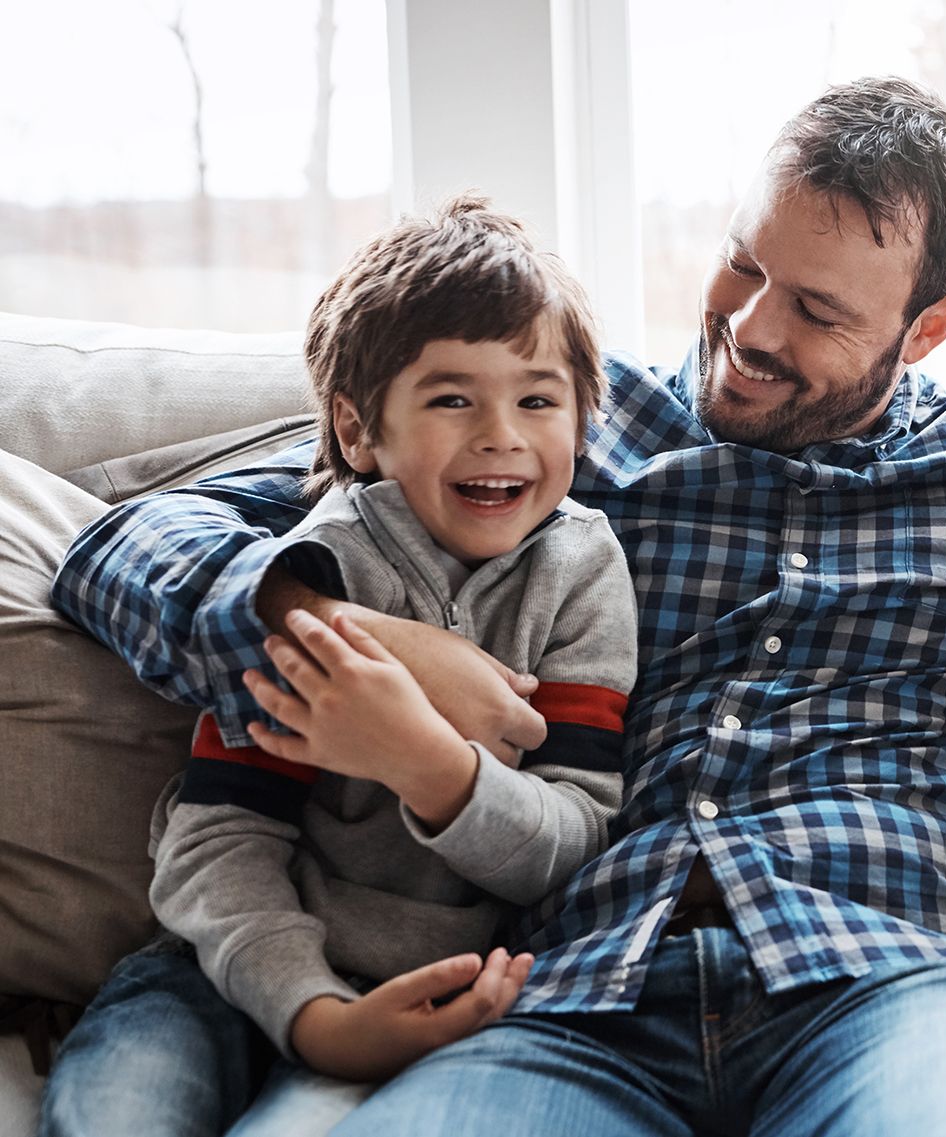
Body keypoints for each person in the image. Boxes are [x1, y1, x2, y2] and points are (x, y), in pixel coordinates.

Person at [50, 78, 946, 1136]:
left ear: (930, 332)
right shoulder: (562, 426)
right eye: (743, 262)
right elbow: (127, 541)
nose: (749, 328)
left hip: (913, 975)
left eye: (819, 310)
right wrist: (364, 631)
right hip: (576, 989)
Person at [40, 195, 638, 1137]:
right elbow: (220, 838)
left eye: (537, 398)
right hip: (224, 962)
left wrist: (428, 765)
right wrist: (315, 1015)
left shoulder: (583, 573)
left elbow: (572, 840)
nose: (501, 433)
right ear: (360, 432)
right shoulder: (316, 563)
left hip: (440, 988)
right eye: (452, 398)